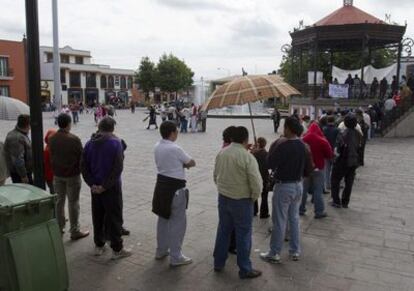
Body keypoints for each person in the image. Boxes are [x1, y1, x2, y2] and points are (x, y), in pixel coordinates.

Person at [261, 117, 313, 264]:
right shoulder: (304, 145)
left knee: (279, 220)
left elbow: (270, 163)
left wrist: (265, 151)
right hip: (298, 185)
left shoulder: (282, 145)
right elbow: (309, 168)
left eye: (285, 127)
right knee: (294, 218)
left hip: (284, 186)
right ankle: (295, 250)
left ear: (289, 128)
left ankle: (274, 252)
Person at [213, 126, 262, 279]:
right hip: (241, 200)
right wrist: (254, 197)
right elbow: (256, 182)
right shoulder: (247, 157)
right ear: (245, 140)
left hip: (224, 197)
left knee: (223, 230)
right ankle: (245, 269)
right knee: (243, 234)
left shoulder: (222, 152)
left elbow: (215, 175)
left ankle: (218, 263)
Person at [81, 117, 132, 260]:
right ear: (112, 128)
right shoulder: (116, 144)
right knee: (114, 217)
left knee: (97, 216)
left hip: (95, 188)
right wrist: (105, 186)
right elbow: (118, 168)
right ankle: (117, 248)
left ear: (99, 127)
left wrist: (92, 184)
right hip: (111, 187)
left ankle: (99, 244)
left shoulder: (89, 144)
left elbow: (83, 166)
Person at [152, 121, 196, 267]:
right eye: (176, 131)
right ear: (172, 133)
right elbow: (191, 162)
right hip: (176, 189)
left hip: (161, 187)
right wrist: (184, 164)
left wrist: (179, 164)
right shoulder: (175, 148)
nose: (177, 134)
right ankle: (176, 257)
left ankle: (161, 250)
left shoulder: (157, 146)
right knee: (178, 223)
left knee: (163, 220)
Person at [49, 113, 89, 240]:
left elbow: (52, 155)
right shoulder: (74, 139)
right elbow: (82, 157)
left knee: (59, 201)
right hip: (72, 175)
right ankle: (74, 230)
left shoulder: (52, 138)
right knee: (73, 202)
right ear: (68, 124)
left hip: (57, 175)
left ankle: (60, 227)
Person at [299, 123, 334, 219]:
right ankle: (319, 211)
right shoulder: (322, 140)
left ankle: (300, 209)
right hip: (319, 168)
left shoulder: (303, 139)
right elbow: (329, 154)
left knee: (303, 190)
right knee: (318, 190)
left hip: (306, 169)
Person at [331, 114, 362, 208]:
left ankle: (336, 200)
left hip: (343, 160)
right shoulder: (358, 134)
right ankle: (345, 201)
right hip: (354, 160)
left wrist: (335, 158)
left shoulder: (342, 133)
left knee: (335, 180)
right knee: (349, 182)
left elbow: (338, 149)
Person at [4, 114, 33, 184]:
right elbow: (18, 159)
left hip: (23, 172)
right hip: (20, 174)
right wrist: (23, 176)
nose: (30, 128)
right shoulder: (17, 138)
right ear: (27, 125)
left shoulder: (21, 134)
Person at [252, 137, 270, 218]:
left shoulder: (254, 154)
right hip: (265, 176)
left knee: (254, 194)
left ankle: (254, 210)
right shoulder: (267, 154)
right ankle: (264, 213)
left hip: (256, 176)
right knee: (264, 196)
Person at [322, 116, 339, 190]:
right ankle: (333, 183)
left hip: (325, 151)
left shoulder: (324, 129)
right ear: (334, 121)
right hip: (334, 151)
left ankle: (327, 184)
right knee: (334, 169)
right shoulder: (337, 130)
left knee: (327, 169)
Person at [44, 129, 57, 194]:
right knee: (54, 193)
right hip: (52, 176)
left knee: (53, 191)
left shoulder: (47, 147)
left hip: (49, 176)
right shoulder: (49, 150)